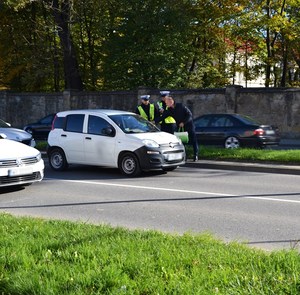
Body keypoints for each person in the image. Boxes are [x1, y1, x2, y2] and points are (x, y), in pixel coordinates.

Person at [158, 94, 199, 161]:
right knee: (182, 141)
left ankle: (196, 155)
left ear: (171, 101)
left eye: (167, 103)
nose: (166, 104)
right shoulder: (169, 110)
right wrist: (153, 121)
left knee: (193, 140)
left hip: (189, 126)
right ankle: (185, 156)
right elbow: (162, 117)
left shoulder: (181, 106)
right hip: (180, 127)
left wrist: (183, 122)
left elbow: (189, 115)